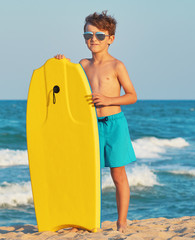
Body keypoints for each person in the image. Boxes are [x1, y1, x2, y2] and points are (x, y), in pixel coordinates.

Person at [54, 10, 137, 233]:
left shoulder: (117, 65)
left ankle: (121, 222)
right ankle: (85, 219)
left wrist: (109, 99)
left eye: (100, 36)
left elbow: (132, 95)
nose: (93, 39)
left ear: (110, 39)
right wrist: (61, 64)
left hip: (115, 124)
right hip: (90, 127)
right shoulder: (82, 64)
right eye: (88, 35)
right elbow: (66, 83)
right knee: (88, 176)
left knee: (118, 174)